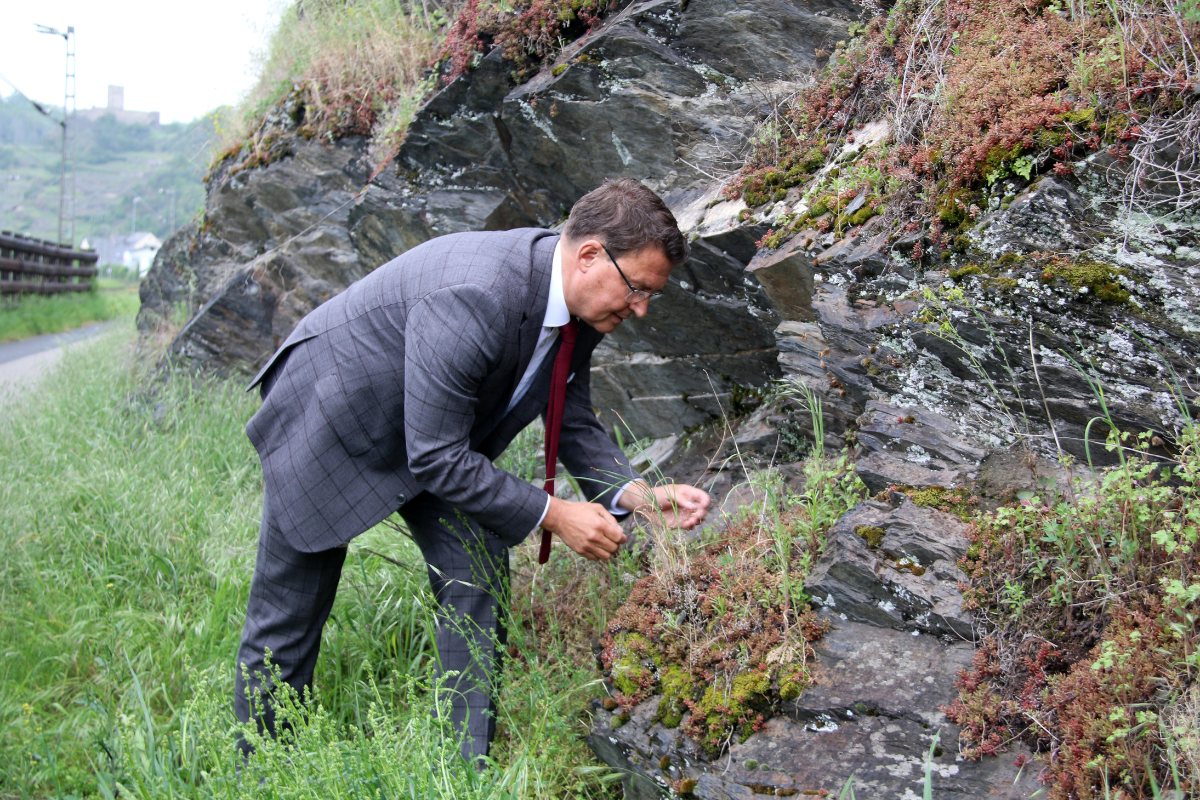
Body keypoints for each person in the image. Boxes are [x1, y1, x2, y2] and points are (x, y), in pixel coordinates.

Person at [234, 178, 711, 765]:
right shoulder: (479, 292)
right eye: (636, 288)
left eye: (650, 295)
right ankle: (261, 767)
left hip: (436, 436)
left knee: (476, 577)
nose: (639, 307)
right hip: (332, 416)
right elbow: (434, 456)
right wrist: (554, 514)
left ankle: (464, 769)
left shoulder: (580, 306)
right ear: (589, 255)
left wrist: (637, 494)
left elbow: (573, 415)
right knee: (289, 615)